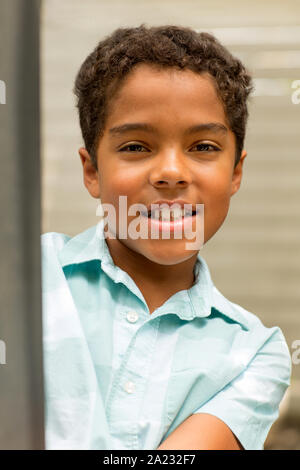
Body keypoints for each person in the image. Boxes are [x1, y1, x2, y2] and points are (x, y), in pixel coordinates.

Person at [41, 24, 292, 450]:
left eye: (204, 147)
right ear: (91, 171)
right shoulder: (32, 274)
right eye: (136, 147)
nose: (172, 173)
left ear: (236, 173)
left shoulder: (254, 353)